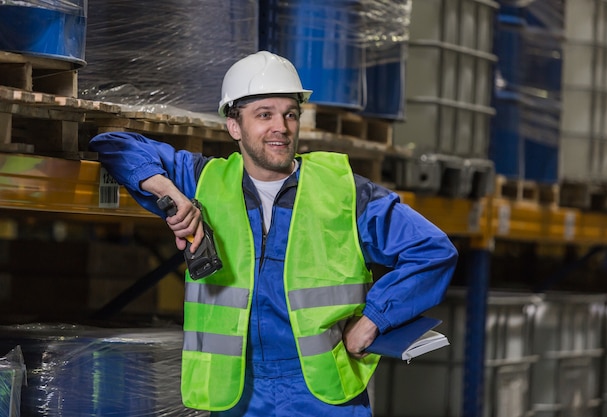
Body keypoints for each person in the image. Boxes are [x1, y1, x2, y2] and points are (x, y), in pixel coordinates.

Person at [89, 50, 458, 417]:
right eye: (264, 115)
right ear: (234, 126)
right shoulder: (203, 181)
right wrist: (169, 194)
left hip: (323, 396)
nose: (280, 126)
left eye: (290, 114)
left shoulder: (345, 191)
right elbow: (113, 143)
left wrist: (374, 319)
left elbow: (433, 251)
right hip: (238, 394)